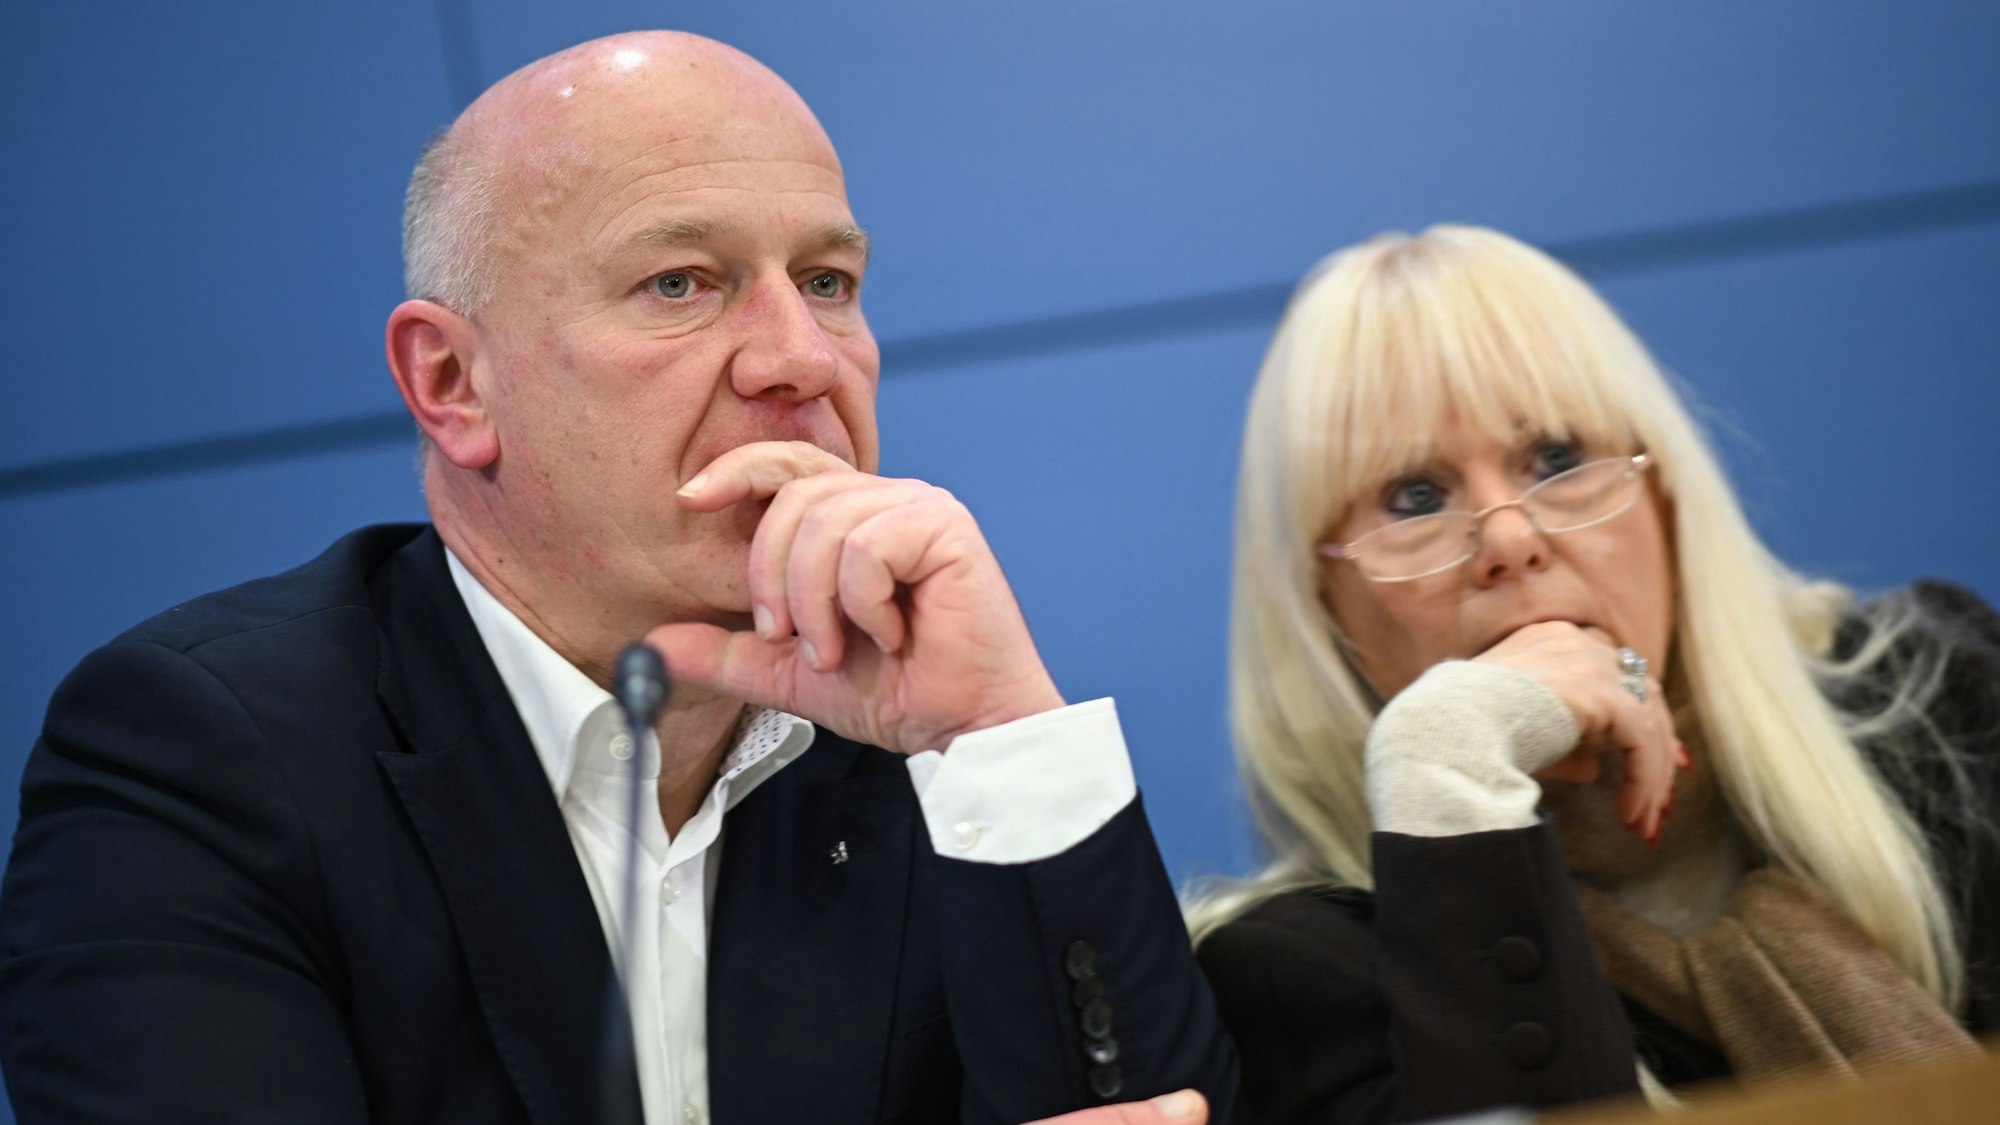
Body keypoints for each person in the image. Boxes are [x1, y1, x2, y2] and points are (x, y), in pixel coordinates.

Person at [0, 32, 1238, 1125]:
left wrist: (999, 735)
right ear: (452, 384)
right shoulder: (199, 756)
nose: (800, 359)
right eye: (679, 284)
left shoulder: (931, 751)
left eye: (827, 283)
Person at [1188, 224, 2000, 1122]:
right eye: (1416, 496)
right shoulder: (1290, 975)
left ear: (1667, 497)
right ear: (1324, 611)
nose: (1509, 539)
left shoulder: (1940, 703)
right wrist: (1446, 770)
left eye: (1559, 459)